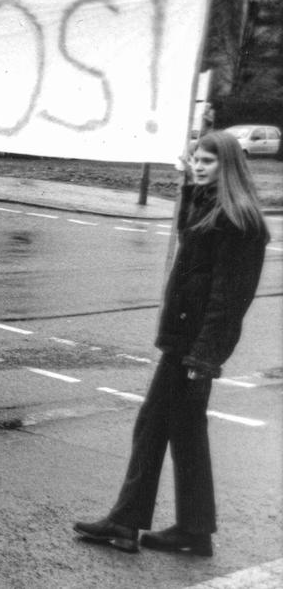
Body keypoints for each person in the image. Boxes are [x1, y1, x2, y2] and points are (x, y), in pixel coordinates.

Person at [74, 131, 268, 556]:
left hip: (192, 345)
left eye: (208, 162)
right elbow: (187, 232)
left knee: (152, 426)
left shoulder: (239, 221)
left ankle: (125, 523)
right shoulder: (209, 205)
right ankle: (195, 530)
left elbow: (229, 298)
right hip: (185, 339)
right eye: (196, 159)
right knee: (185, 432)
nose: (199, 166)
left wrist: (206, 354)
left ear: (228, 165)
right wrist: (186, 183)